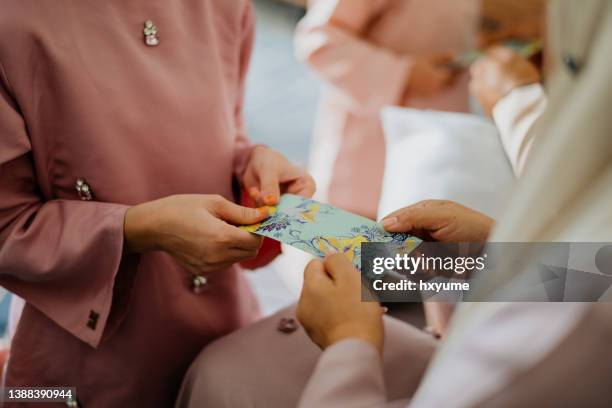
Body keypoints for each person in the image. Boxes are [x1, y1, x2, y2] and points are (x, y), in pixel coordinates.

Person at [176, 0, 612, 406]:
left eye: (570, 63)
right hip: (372, 148)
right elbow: (586, 275)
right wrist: (486, 253)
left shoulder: (567, 334)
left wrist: (350, 342)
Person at [0, 0, 314, 406]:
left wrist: (250, 166)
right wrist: (138, 228)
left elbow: (225, 128)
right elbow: (7, 225)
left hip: (224, 329)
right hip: (88, 367)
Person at [294, 0, 476, 219]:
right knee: (352, 246)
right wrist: (406, 73)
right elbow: (318, 41)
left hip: (436, 151)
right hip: (368, 159)